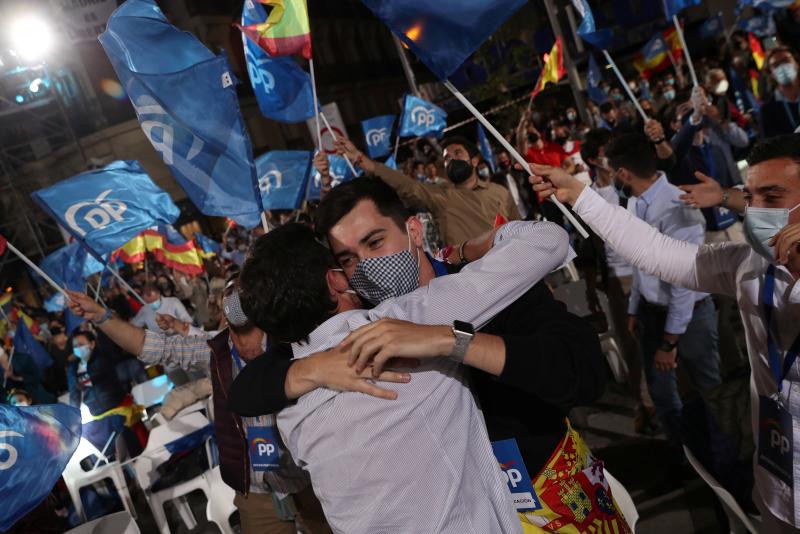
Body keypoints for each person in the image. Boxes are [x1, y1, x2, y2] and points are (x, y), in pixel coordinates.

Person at [231, 179, 626, 532]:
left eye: (374, 242)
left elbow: (583, 370)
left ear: (414, 230)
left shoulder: (484, 286)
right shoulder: (356, 328)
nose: (367, 266)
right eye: (348, 259)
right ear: (336, 276)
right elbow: (250, 387)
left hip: (553, 501)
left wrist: (453, 338)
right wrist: (314, 369)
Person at [530, 133, 800, 532]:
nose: (757, 211)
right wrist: (580, 196)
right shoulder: (748, 266)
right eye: (751, 197)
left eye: (772, 198)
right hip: (778, 491)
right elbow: (658, 253)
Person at [66, 283, 334, 534]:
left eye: (251, 325)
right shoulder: (218, 352)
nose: (246, 342)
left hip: (309, 479)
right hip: (256, 489)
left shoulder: (295, 344)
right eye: (235, 327)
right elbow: (151, 346)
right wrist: (102, 316)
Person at [331, 136, 520, 246]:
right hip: (476, 281)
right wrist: (362, 159)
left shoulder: (499, 192)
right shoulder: (440, 196)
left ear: (475, 160)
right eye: (446, 158)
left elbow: (521, 231)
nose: (451, 160)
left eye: (457, 154)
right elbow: (406, 185)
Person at [671, 86, 748, 241]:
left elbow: (734, 187)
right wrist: (693, 120)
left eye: (697, 108)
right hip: (705, 235)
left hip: (736, 227)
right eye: (688, 110)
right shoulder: (674, 155)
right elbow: (677, 147)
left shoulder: (716, 148)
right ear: (674, 125)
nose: (695, 113)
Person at [761, 46, 800, 138]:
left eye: (786, 60)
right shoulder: (767, 110)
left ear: (797, 64)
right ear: (771, 73)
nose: (782, 67)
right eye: (776, 65)